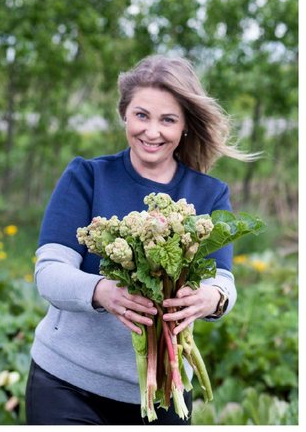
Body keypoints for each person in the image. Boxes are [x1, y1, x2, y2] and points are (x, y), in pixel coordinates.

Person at [26, 55, 258, 425]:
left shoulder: (210, 194)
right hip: (68, 384)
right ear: (125, 115)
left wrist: (210, 299)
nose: (152, 131)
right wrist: (103, 292)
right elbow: (49, 272)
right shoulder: (86, 177)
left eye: (168, 120)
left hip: (166, 392)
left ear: (185, 127)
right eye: (141, 115)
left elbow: (222, 282)